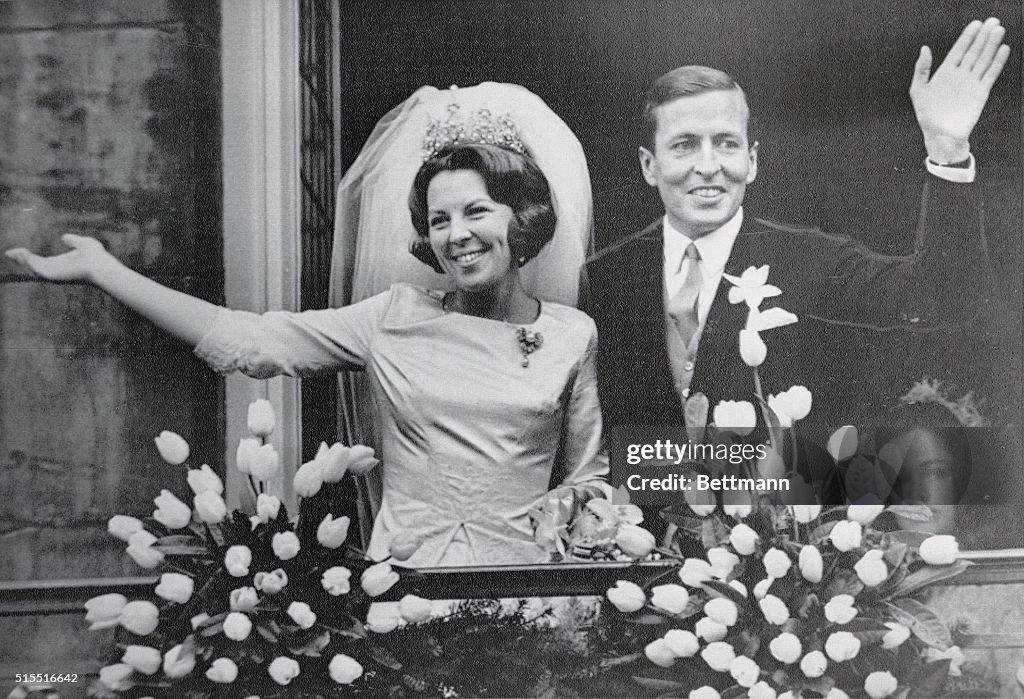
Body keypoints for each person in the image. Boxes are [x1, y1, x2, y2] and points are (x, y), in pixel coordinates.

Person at [5, 89, 609, 568]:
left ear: (523, 217)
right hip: (409, 594)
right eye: (439, 219)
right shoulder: (392, 317)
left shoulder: (573, 335)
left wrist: (583, 514)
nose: (457, 235)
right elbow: (250, 342)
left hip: (533, 590)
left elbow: (590, 478)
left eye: (477, 211)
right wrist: (103, 271)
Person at [585, 19, 1011, 437]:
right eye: (685, 145)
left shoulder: (813, 260)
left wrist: (947, 151)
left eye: (727, 143)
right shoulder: (603, 277)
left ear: (752, 161)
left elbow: (944, 297)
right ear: (648, 165)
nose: (709, 165)